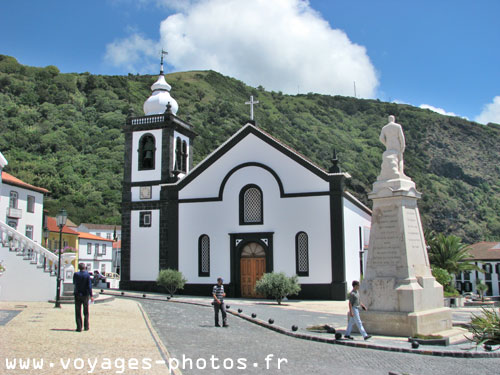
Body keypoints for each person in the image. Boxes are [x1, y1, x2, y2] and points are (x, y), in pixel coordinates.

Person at [73, 263, 94, 332]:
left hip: (78, 294)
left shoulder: (76, 274)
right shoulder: (87, 275)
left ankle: (79, 327)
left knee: (78, 311)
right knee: (86, 311)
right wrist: (91, 295)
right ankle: (86, 326)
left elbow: (74, 283)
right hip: (85, 294)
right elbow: (89, 286)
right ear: (84, 268)